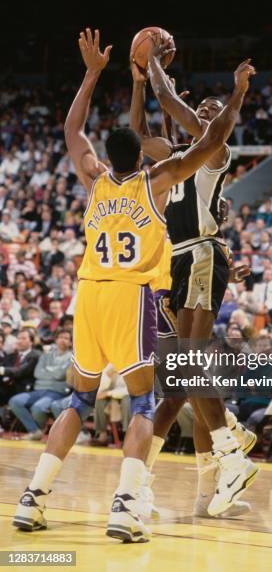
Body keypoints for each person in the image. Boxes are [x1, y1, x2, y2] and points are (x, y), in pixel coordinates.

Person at [13, 28, 256, 543]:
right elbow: (177, 130)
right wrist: (209, 91)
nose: (207, 113)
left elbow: (75, 129)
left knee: (116, 389)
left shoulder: (97, 180)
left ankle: (37, 497)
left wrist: (104, 72)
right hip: (140, 292)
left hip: (98, 293)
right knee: (159, 389)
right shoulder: (162, 174)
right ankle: (140, 494)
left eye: (212, 109)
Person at [130, 35, 258, 520]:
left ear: (218, 119)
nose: (202, 111)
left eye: (210, 108)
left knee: (186, 364)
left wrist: (157, 64)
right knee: (183, 373)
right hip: (180, 263)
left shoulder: (214, 151)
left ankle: (227, 451)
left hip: (200, 256)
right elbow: (141, 128)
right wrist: (137, 80)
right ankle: (222, 460)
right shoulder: (179, 157)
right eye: (198, 106)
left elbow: (170, 102)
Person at [8, 329, 72, 440]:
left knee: (38, 407)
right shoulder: (45, 355)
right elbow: (37, 373)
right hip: (38, 390)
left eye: (66, 338)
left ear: (71, 342)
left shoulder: (72, 357)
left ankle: (39, 430)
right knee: (15, 401)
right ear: (55, 339)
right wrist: (54, 371)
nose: (63, 340)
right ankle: (35, 431)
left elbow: (60, 375)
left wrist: (47, 370)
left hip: (56, 391)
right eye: (60, 337)